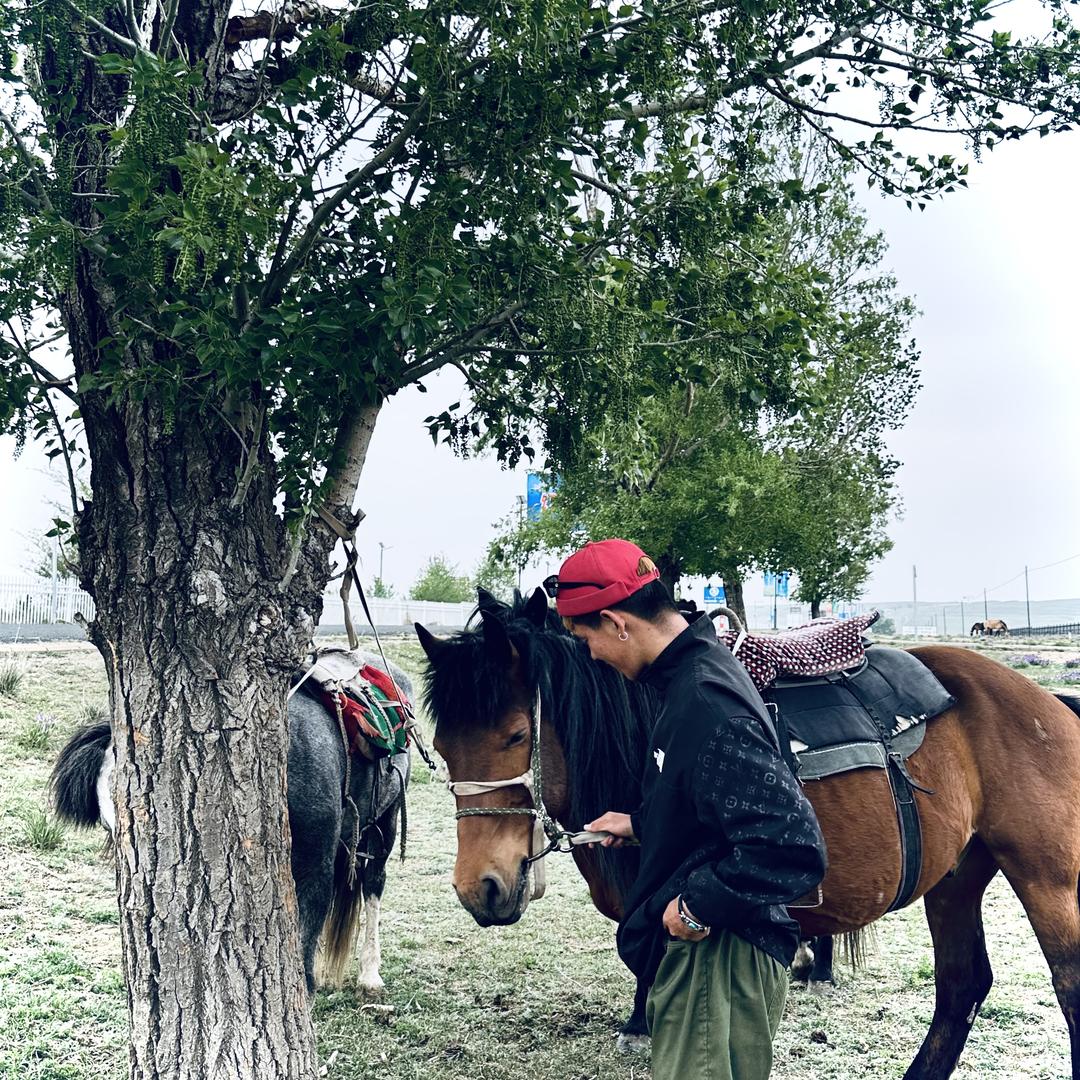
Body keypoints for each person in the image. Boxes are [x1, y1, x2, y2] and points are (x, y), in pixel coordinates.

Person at [546, 538, 826, 1080]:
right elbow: (716, 800)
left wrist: (696, 907)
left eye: (587, 639)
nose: (592, 655)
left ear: (616, 622)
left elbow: (790, 846)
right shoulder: (691, 674)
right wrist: (643, 824)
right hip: (712, 949)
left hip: (717, 953)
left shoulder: (704, 701)